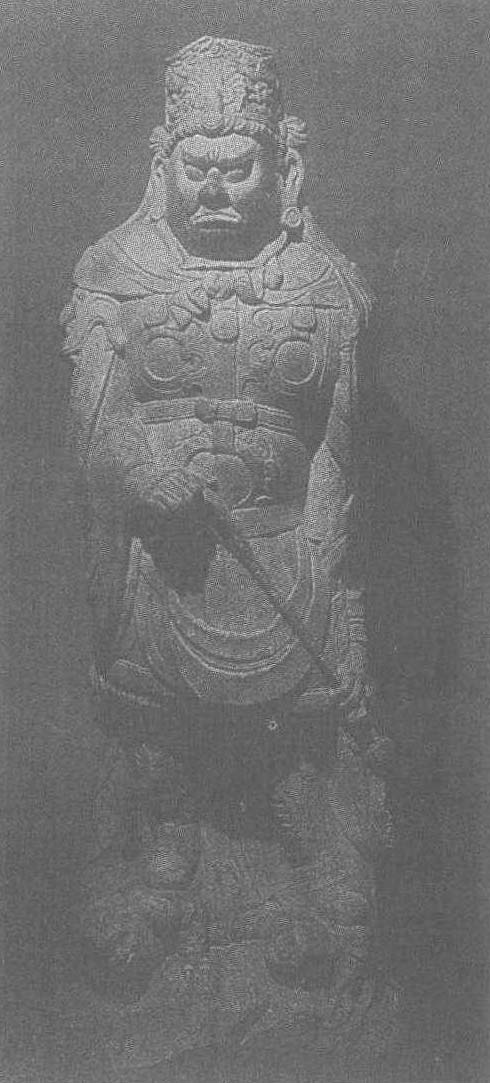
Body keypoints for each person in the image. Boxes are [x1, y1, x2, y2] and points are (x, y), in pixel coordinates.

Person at [61, 37, 389, 1017]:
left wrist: (329, 552)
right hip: (166, 561)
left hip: (283, 550)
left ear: (283, 162)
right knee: (152, 725)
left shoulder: (327, 284)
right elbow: (95, 427)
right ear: (162, 159)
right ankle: (158, 857)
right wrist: (140, 472)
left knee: (301, 734)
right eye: (196, 167)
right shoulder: (114, 274)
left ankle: (315, 871)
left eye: (237, 167)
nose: (214, 189)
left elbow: (339, 445)